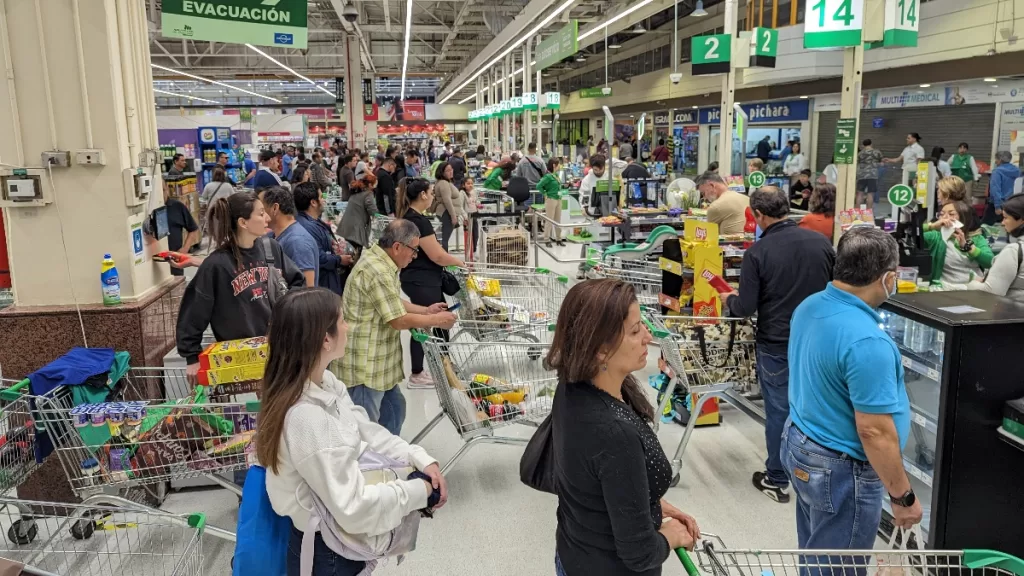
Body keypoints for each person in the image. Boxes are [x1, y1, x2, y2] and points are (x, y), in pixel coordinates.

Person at [260, 288, 448, 576]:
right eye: (343, 320)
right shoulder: (307, 419)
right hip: (329, 553)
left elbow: (365, 431)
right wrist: (419, 491)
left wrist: (418, 456)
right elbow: (354, 509)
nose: (348, 327)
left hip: (335, 541)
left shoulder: (325, 383)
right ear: (325, 338)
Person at [784, 226, 922, 552]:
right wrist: (903, 496)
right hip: (841, 468)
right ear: (887, 278)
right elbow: (874, 431)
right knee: (837, 566)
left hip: (801, 443)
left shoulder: (810, 305)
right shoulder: (867, 340)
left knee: (817, 550)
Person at [550, 279, 700, 576]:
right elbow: (639, 552)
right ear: (601, 351)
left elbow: (594, 480)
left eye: (642, 325)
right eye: (634, 331)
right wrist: (671, 536)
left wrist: (650, 505)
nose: (647, 336)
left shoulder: (572, 388)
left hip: (574, 552)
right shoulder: (615, 433)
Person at [723, 187, 834, 503]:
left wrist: (728, 300)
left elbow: (745, 307)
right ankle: (815, 473)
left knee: (780, 412)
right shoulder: (822, 243)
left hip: (777, 345)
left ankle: (776, 478)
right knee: (815, 408)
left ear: (758, 215)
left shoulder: (758, 252)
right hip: (818, 343)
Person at [333, 220, 457, 434]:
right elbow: (397, 319)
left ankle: (388, 459)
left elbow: (392, 302)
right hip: (365, 366)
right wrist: (437, 321)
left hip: (380, 363)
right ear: (398, 246)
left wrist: (426, 311)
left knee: (395, 411)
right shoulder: (377, 270)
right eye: (413, 250)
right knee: (365, 428)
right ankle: (368, 466)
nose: (415, 255)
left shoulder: (383, 262)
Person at [176, 191, 305, 382]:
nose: (268, 218)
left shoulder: (271, 248)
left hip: (280, 351)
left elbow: (298, 283)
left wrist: (287, 317)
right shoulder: (217, 265)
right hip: (239, 362)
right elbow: (194, 312)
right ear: (243, 223)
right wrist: (192, 357)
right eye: (261, 214)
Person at [397, 179, 466, 388]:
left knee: (439, 321)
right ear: (423, 195)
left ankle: (444, 365)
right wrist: (458, 262)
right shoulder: (419, 222)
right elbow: (437, 255)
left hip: (418, 278)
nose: (434, 196)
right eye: (432, 192)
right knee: (425, 323)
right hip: (422, 279)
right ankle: (417, 373)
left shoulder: (410, 217)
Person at [945, 193, 1024, 299]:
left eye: (1005, 218)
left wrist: (972, 283)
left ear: (1021, 220)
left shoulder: (1013, 251)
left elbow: (990, 291)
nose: (1002, 222)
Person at [295, 182, 352, 296]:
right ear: (313, 202)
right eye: (321, 197)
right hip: (324, 284)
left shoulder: (312, 222)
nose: (324, 200)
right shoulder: (307, 228)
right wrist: (339, 260)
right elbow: (319, 257)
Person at [920, 200, 993, 286]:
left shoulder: (977, 238)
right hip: (944, 288)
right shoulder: (936, 237)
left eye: (951, 214)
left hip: (972, 288)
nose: (945, 218)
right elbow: (912, 236)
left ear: (963, 218)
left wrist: (968, 247)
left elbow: (990, 262)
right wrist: (931, 226)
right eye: (942, 214)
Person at [260, 187, 320, 288]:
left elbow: (306, 291)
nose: (261, 215)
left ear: (275, 208)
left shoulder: (298, 242)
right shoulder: (273, 236)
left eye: (262, 210)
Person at [162, 181, 200, 273]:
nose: (161, 194)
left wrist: (185, 249)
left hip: (175, 262)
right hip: (157, 262)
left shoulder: (177, 206)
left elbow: (193, 229)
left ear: (167, 188)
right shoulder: (151, 210)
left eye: (163, 190)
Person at [337, 173, 379, 253]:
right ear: (370, 185)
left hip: (346, 225)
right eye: (374, 185)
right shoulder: (368, 194)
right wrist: (378, 215)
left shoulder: (356, 191)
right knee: (357, 252)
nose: (375, 187)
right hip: (356, 228)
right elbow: (372, 210)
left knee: (350, 250)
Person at [433, 162, 466, 252]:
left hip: (446, 213)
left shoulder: (446, 182)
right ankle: (443, 261)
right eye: (448, 170)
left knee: (443, 238)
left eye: (451, 169)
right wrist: (453, 215)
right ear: (442, 172)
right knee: (444, 239)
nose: (451, 172)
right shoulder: (443, 183)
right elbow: (447, 200)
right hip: (446, 213)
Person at [985, 151, 1021, 225]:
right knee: (1007, 226)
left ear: (1000, 160)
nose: (995, 161)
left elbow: (995, 189)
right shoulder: (1017, 171)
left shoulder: (997, 172)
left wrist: (997, 206)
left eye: (996, 159)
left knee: (985, 226)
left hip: (998, 204)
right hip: (1011, 203)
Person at [539, 157, 565, 248]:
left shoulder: (556, 176)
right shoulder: (547, 176)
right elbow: (539, 186)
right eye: (558, 164)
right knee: (549, 220)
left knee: (558, 221)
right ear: (554, 165)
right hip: (551, 200)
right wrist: (545, 193)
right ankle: (546, 239)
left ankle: (559, 239)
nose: (560, 166)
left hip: (558, 199)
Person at [856, 139, 884, 209]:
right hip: (873, 175)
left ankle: (857, 211)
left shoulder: (860, 153)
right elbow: (882, 161)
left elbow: (857, 162)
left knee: (860, 193)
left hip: (861, 175)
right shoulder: (877, 152)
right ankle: (868, 212)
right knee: (870, 194)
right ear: (871, 144)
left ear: (863, 145)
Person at [463, 178, 479, 253]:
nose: (470, 185)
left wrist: (478, 205)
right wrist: (464, 217)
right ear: (463, 185)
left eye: (472, 183)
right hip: (467, 216)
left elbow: (476, 201)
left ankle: (474, 250)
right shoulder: (462, 193)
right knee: (468, 235)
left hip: (474, 214)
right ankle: (469, 251)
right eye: (468, 183)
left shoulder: (474, 192)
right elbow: (460, 206)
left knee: (476, 233)